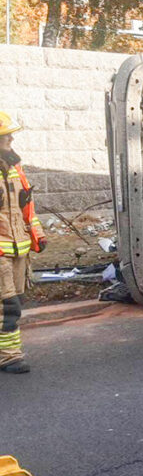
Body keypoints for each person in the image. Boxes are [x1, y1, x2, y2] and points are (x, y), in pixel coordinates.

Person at [0, 112, 46, 374]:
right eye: (6, 134)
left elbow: (27, 207)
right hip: (1, 252)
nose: (11, 138)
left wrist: (37, 234)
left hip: (18, 249)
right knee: (9, 306)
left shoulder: (16, 169)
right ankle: (9, 357)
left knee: (13, 300)